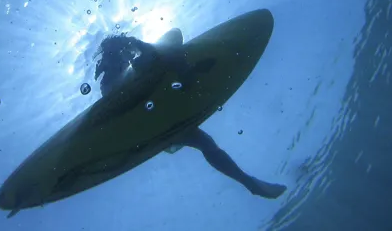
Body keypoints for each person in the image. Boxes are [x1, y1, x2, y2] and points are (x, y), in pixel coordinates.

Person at [93, 29, 287, 199]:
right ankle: (249, 183)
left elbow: (161, 53)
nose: (123, 56)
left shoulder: (131, 63)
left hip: (160, 117)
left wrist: (138, 46)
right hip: (144, 123)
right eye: (117, 53)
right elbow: (114, 97)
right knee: (205, 143)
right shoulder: (110, 74)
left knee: (206, 143)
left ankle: (249, 183)